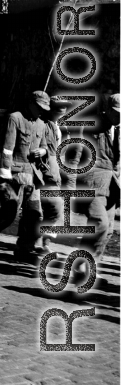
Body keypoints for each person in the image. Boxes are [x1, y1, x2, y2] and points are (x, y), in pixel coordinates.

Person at [0, 91, 51, 259]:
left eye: (45, 109)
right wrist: (3, 176)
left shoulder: (42, 124)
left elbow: (45, 147)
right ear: (31, 104)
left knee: (34, 214)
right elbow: (6, 148)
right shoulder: (15, 118)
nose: (42, 111)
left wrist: (41, 151)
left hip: (33, 176)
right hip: (14, 174)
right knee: (10, 212)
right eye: (40, 107)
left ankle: (24, 248)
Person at [71, 93, 119, 277]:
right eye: (116, 113)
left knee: (107, 230)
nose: (119, 117)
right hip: (92, 182)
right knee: (99, 223)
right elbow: (76, 155)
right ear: (107, 109)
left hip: (114, 186)